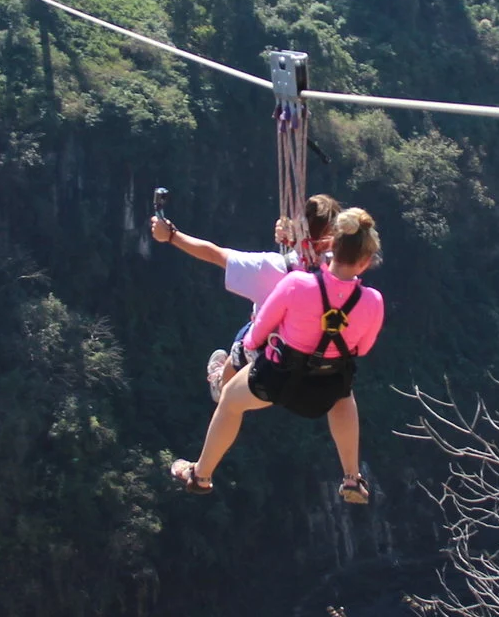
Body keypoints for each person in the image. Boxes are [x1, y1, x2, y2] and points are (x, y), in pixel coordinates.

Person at [172, 208, 384, 504]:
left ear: (331, 248)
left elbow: (257, 333)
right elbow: (363, 348)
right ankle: (351, 477)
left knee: (230, 402)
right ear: (365, 262)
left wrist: (251, 350)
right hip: (325, 386)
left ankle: (201, 475)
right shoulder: (373, 301)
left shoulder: (296, 284)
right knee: (344, 397)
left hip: (276, 378)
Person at [150, 193, 342, 398]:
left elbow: (215, 254)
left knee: (244, 343)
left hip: (273, 356)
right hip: (320, 356)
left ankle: (220, 381)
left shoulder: (272, 267)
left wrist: (171, 235)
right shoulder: (341, 272)